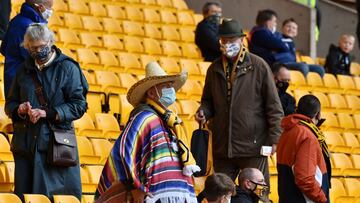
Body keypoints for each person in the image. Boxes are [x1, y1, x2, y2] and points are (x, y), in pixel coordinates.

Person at [195, 19, 284, 189]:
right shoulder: (213, 69)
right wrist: (203, 111)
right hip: (223, 147)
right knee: (219, 194)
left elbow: (274, 107)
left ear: (242, 40)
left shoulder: (259, 66)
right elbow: (208, 100)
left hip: (253, 147)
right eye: (224, 40)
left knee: (257, 194)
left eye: (232, 40)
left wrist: (275, 139)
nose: (228, 44)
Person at [95, 62, 200, 203]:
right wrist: (135, 186)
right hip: (154, 196)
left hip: (177, 195)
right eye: (166, 86)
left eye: (171, 85)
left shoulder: (169, 122)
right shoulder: (144, 118)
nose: (171, 90)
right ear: (151, 93)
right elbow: (123, 151)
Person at [5, 23, 88, 201]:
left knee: (53, 197)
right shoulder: (23, 70)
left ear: (51, 43)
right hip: (26, 145)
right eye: (33, 48)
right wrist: (19, 109)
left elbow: (79, 105)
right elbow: (10, 103)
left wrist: (47, 113)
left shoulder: (68, 68)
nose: (39, 51)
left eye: (42, 47)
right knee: (26, 197)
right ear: (27, 47)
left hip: (55, 147)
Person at [277, 95, 330, 203]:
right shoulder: (307, 136)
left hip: (287, 195)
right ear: (318, 114)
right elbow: (305, 179)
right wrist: (322, 199)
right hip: (303, 198)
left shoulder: (287, 131)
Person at [1, 0, 53, 97]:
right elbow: (39, 60)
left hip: (13, 83)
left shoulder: (16, 20)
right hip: (27, 87)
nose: (51, 11)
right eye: (49, 8)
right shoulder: (32, 28)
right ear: (40, 8)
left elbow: (4, 49)